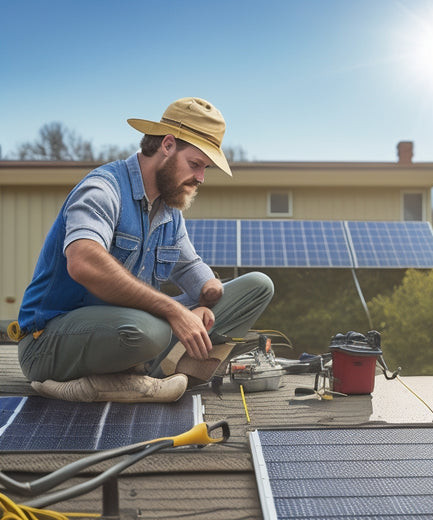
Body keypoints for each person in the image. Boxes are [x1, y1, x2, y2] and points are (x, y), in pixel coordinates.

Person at [11, 97, 274, 403]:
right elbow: (83, 262)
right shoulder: (103, 189)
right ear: (167, 145)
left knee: (258, 286)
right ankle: (121, 379)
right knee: (153, 330)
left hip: (132, 335)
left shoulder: (169, 211)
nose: (201, 178)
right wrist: (174, 310)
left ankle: (146, 377)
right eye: (196, 164)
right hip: (49, 344)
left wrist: (208, 294)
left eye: (206, 168)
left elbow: (190, 267)